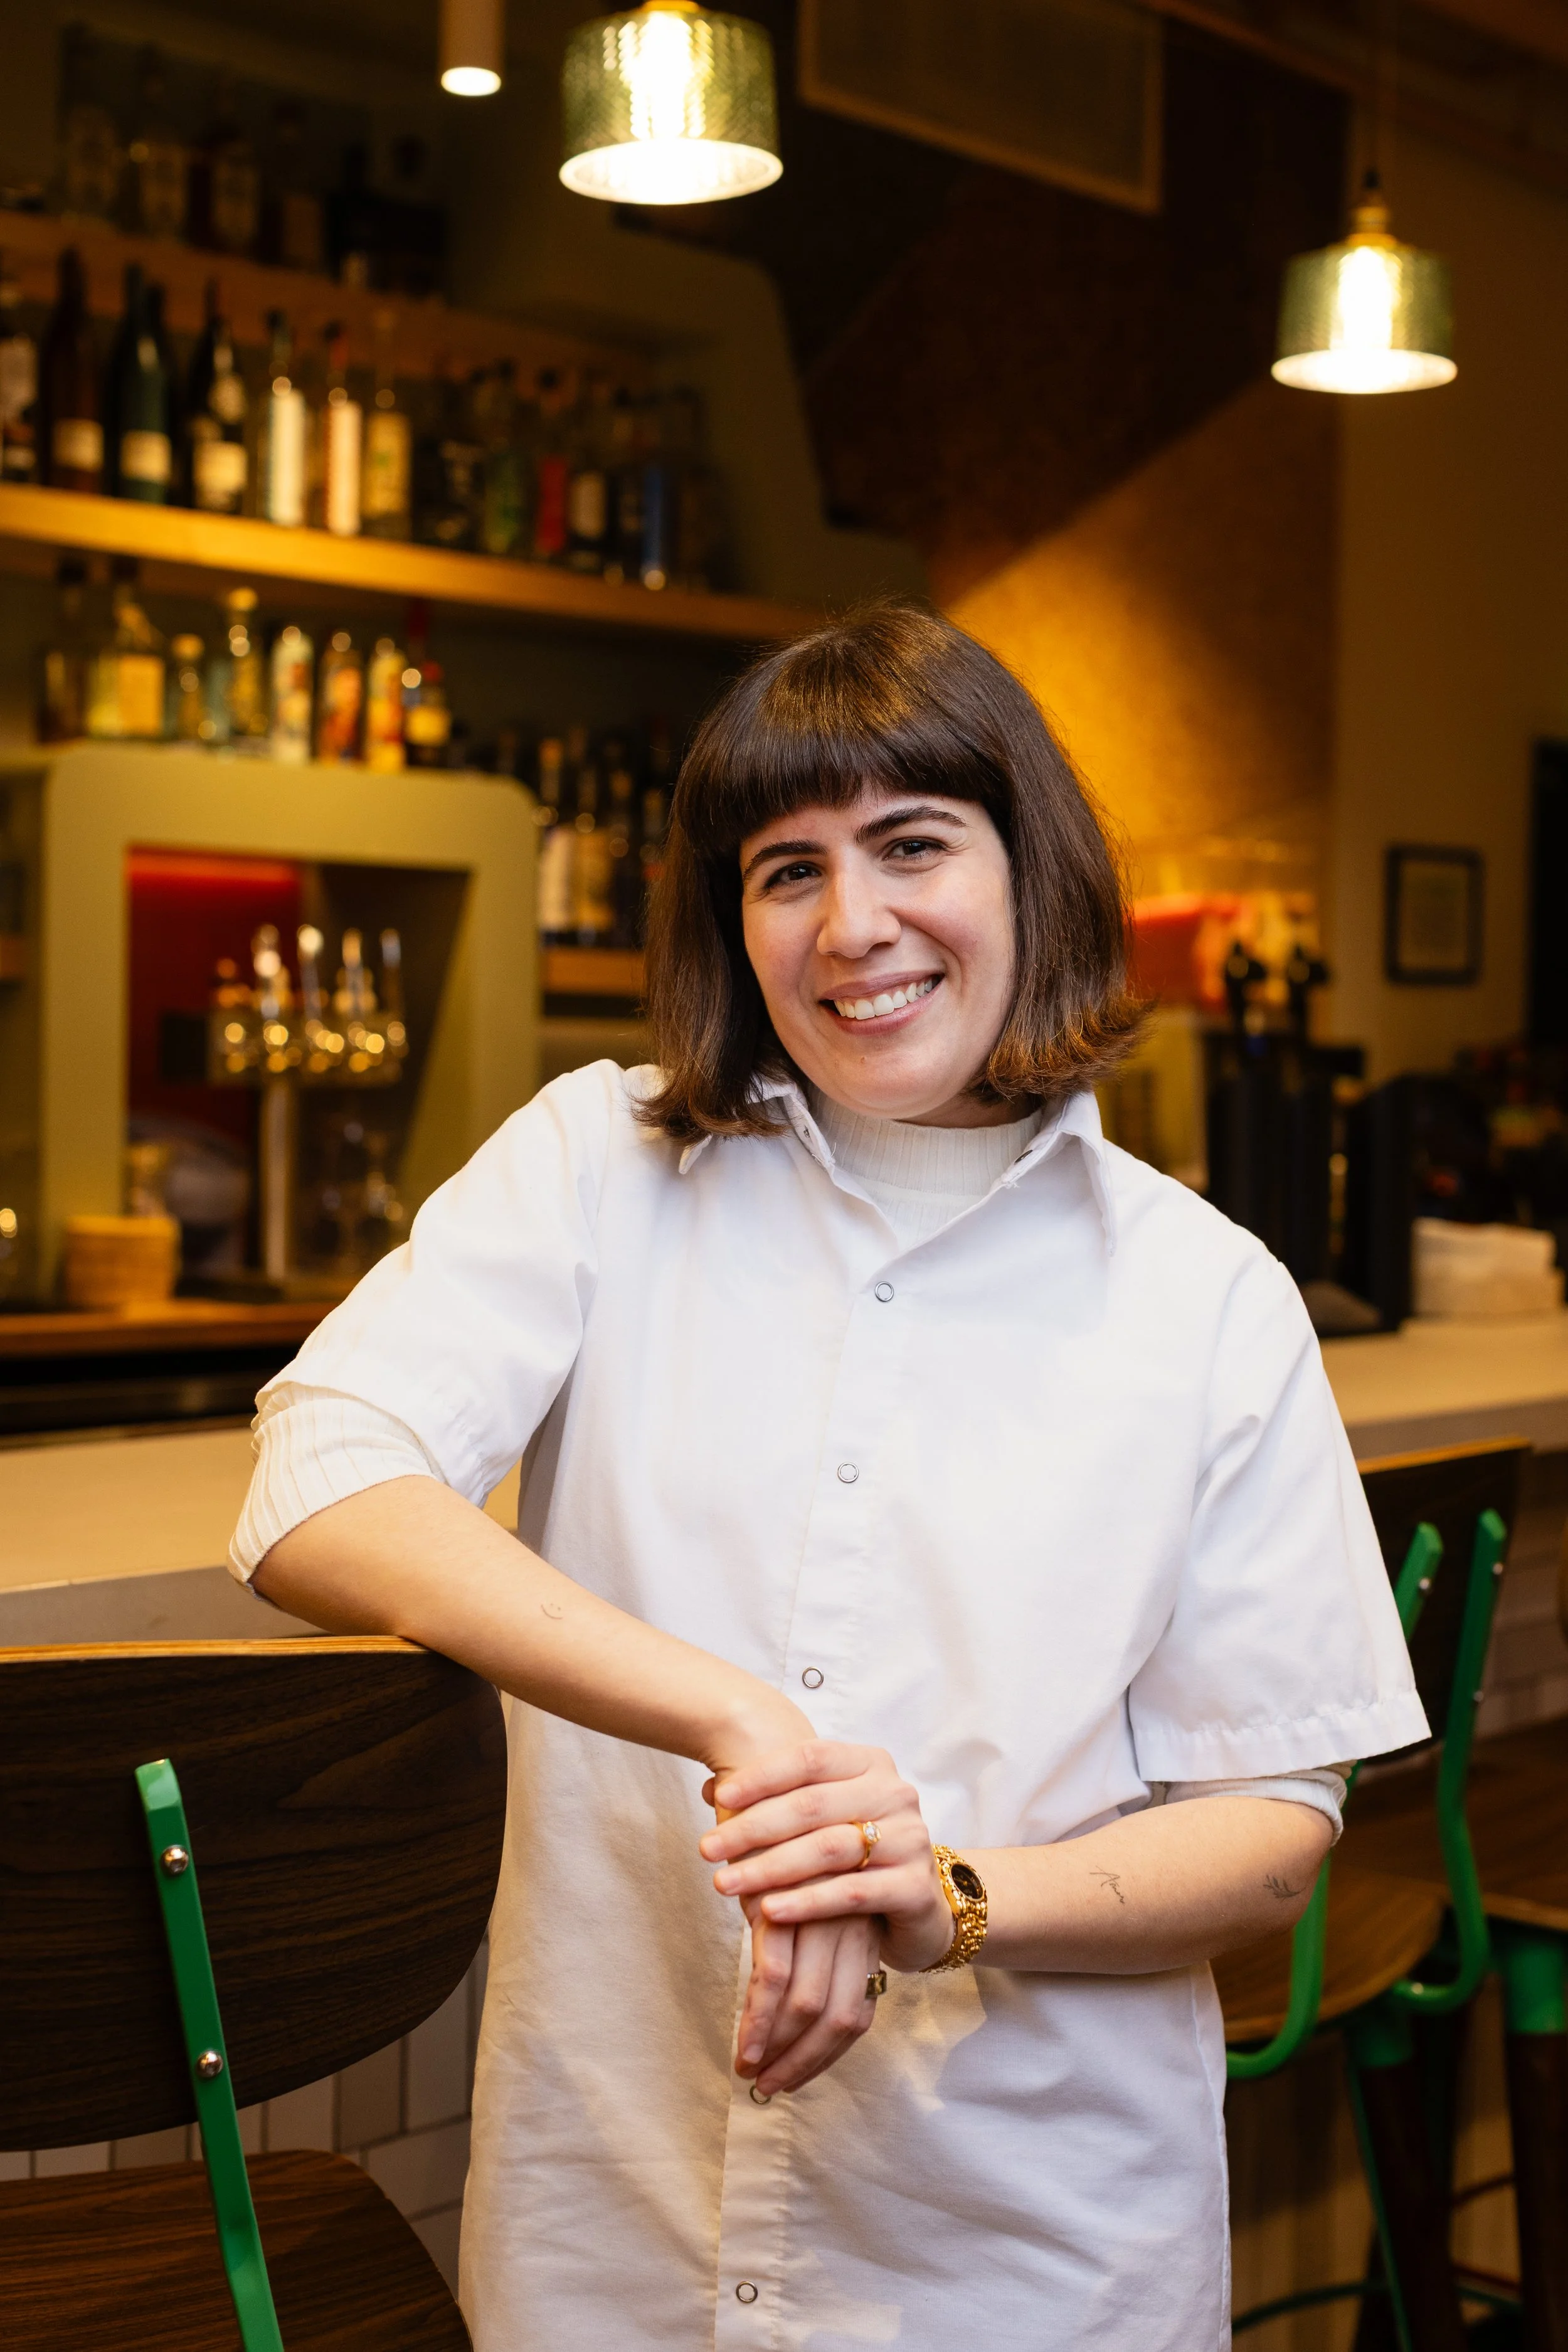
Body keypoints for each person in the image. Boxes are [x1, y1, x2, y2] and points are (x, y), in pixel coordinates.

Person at [235, 603, 1426, 2352]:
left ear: (1032, 872)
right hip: (612, 2226)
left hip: (1026, 2255)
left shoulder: (1207, 1297)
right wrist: (737, 1718)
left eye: (912, 843)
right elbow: (314, 1476)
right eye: (785, 866)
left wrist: (944, 1899)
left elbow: (1263, 1838)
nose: (851, 922)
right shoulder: (597, 1163)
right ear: (731, 920)